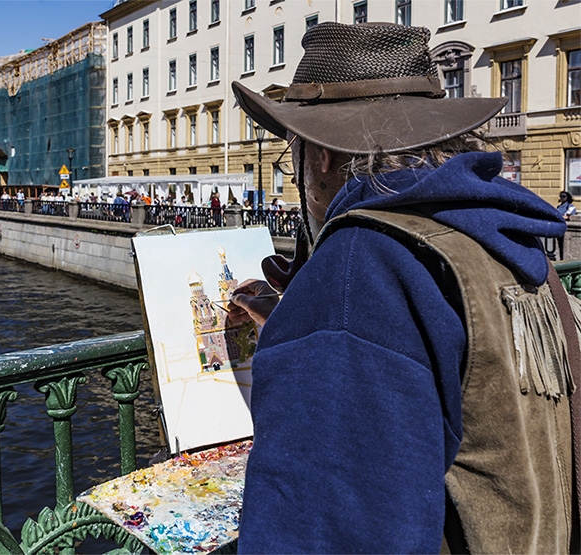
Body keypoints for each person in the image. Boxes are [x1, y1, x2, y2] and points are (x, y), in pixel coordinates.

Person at [228, 21, 577, 553]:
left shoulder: (360, 269)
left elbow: (325, 533)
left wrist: (327, 318)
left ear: (318, 156)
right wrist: (303, 322)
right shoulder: (506, 236)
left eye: (292, 157)